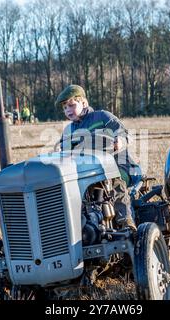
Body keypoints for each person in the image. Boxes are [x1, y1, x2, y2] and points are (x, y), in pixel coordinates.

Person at [55, 84, 138, 231]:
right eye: (65, 107)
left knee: (114, 181)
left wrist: (120, 141)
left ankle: (126, 222)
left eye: (71, 105)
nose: (68, 110)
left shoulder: (102, 117)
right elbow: (62, 150)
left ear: (84, 103)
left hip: (118, 165)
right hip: (87, 171)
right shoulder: (69, 130)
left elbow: (125, 134)